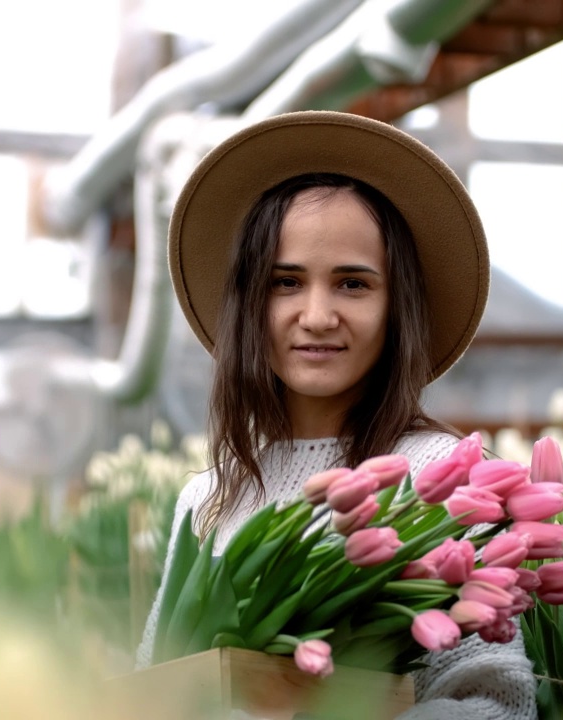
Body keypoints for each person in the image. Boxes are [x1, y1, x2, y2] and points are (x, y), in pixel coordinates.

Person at [137, 111, 536, 720]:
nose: (318, 315)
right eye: (285, 283)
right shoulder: (210, 498)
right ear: (249, 304)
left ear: (397, 305)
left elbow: (496, 700)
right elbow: (153, 685)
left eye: (352, 284)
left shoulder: (442, 482)